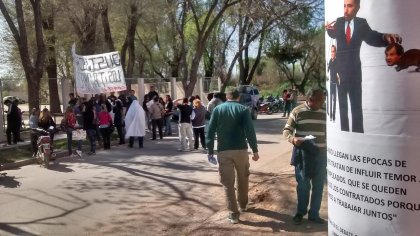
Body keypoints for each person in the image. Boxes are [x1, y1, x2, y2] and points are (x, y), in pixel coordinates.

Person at [326, 0, 401, 133]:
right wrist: (328, 30)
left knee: (356, 108)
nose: (345, 10)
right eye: (344, 6)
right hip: (340, 74)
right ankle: (344, 134)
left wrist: (385, 37)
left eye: (349, 6)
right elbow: (333, 33)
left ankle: (358, 135)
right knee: (342, 107)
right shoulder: (339, 21)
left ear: (357, 8)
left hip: (355, 73)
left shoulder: (361, 23)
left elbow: (372, 37)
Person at [206, 87, 259, 224]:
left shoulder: (217, 110)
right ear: (238, 97)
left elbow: (210, 131)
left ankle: (234, 214)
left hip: (223, 151)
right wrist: (255, 150)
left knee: (227, 183)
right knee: (243, 178)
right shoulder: (243, 110)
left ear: (226, 97)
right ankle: (243, 205)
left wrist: (210, 150)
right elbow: (250, 131)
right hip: (241, 150)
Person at [282, 88, 326, 225]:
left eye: (323, 100)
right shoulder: (297, 111)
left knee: (318, 186)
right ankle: (300, 212)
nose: (322, 103)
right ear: (310, 100)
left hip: (321, 154)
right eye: (320, 101)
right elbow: (286, 130)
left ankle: (314, 214)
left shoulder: (326, 112)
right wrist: (293, 139)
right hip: (303, 154)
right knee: (303, 185)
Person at [328, 45, 338, 122]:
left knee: (334, 100)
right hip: (330, 83)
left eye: (333, 51)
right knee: (330, 100)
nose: (332, 53)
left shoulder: (338, 61)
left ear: (335, 52)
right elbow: (328, 71)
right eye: (331, 51)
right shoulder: (330, 61)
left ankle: (334, 117)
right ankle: (330, 116)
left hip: (336, 83)